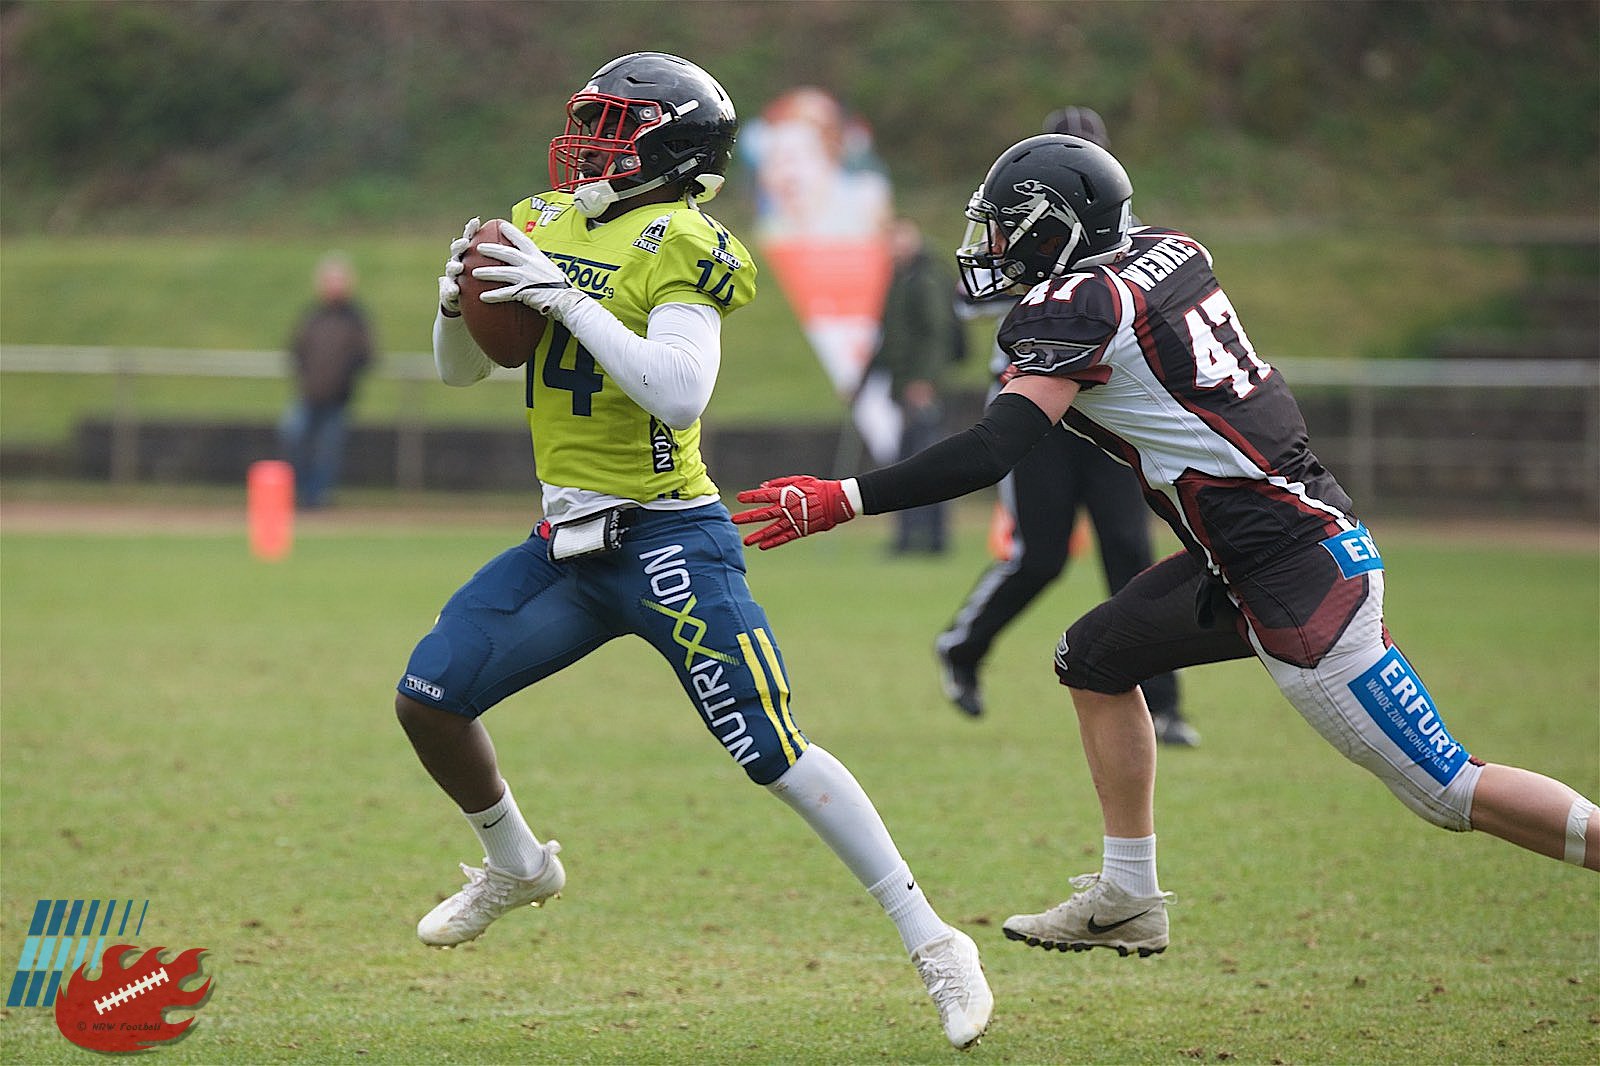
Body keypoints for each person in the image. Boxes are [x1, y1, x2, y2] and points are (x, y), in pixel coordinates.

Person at [733, 132, 1599, 958]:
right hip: (1258, 550)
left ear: (1055, 227)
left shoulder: (1079, 304)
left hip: (1296, 578)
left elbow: (997, 446)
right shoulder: (1168, 250)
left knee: (1445, 789)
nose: (991, 244)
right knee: (1096, 657)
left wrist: (845, 496)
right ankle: (1128, 899)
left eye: (1006, 225)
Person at [392, 53, 990, 1050]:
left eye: (612, 124)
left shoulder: (683, 239)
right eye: (589, 119)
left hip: (667, 537)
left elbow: (678, 391)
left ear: (667, 143)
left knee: (773, 754)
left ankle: (934, 941)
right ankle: (518, 862)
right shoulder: (541, 220)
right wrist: (455, 303)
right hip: (564, 544)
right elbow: (460, 375)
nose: (588, 139)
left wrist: (564, 300)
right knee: (429, 696)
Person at [935, 107, 1196, 748]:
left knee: (1129, 552)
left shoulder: (1123, 233)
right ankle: (962, 648)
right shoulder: (1011, 220)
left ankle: (1163, 705)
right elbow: (971, 291)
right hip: (1032, 409)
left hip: (1105, 407)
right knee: (1040, 556)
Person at [868, 218, 962, 554]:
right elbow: (889, 336)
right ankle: (910, 537)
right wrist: (864, 380)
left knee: (925, 460)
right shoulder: (900, 278)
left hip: (920, 387)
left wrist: (923, 381)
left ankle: (932, 538)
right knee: (908, 458)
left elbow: (935, 335)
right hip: (903, 383)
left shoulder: (925, 278)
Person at [279, 252, 373, 509]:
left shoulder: (356, 318)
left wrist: (344, 379)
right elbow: (296, 348)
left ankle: (317, 497)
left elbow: (366, 355)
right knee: (294, 437)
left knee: (327, 450)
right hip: (308, 394)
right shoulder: (312, 315)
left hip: (337, 398)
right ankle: (299, 492)